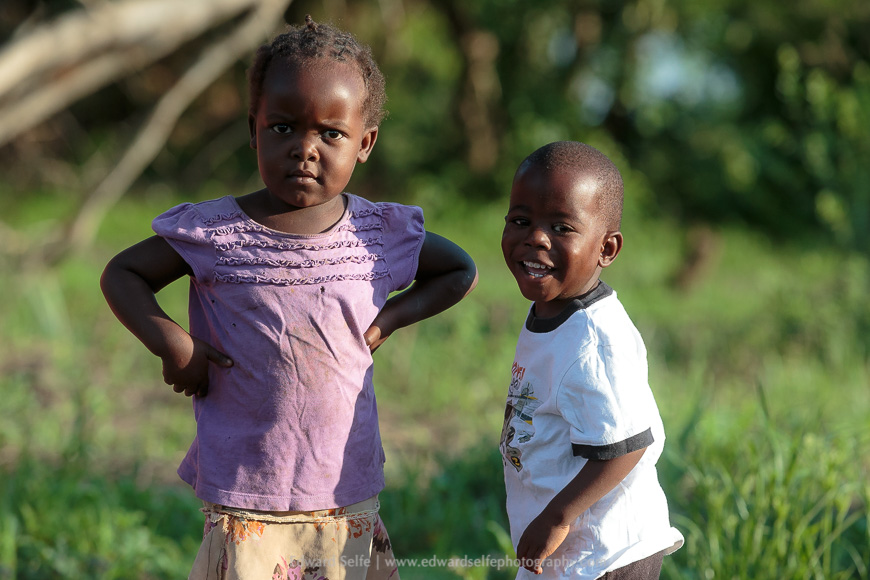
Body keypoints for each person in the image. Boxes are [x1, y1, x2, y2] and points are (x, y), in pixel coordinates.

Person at [101, 16, 477, 580]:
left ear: (364, 143)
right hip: (248, 489)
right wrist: (174, 345)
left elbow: (458, 270)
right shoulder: (214, 231)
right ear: (253, 129)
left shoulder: (378, 233)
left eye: (331, 133)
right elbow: (123, 273)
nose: (305, 149)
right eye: (282, 128)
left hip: (343, 488)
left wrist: (394, 317)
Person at [499, 141, 683, 579]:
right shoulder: (555, 313)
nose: (536, 237)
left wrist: (556, 518)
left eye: (562, 228)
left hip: (604, 555)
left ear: (607, 249)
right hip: (573, 552)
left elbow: (627, 446)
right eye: (521, 221)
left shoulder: (594, 339)